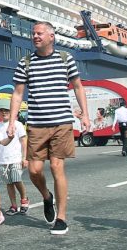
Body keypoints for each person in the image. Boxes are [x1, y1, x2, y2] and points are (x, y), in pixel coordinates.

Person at [8, 21, 90, 236]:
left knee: (56, 167)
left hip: (62, 122)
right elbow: (17, 94)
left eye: (40, 33)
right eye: (33, 33)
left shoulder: (65, 59)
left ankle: (61, 218)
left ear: (51, 36)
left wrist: (85, 115)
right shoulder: (25, 62)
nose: (35, 36)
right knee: (34, 170)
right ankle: (47, 196)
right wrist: (11, 122)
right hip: (36, 123)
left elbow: (78, 87)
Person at [0, 106, 29, 215]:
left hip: (16, 158)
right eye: (1, 110)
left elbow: (24, 141)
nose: (4, 112)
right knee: (9, 183)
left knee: (16, 179)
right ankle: (13, 205)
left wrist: (24, 157)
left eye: (6, 110)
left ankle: (24, 199)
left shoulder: (17, 124)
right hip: (2, 159)